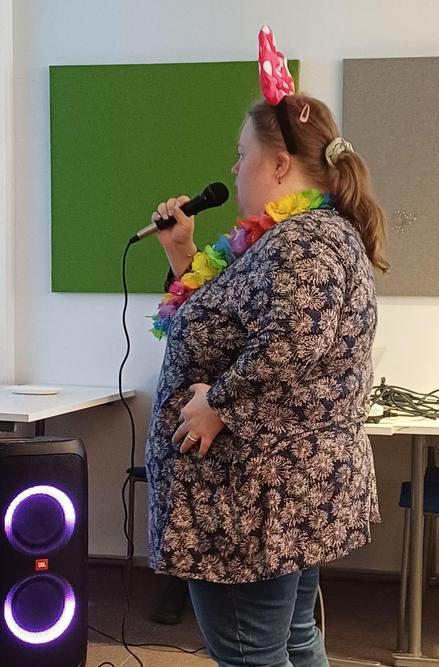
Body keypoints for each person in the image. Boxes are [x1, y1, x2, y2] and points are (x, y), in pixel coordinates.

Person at [145, 26, 388, 667]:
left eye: (241, 153)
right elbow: (227, 326)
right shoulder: (297, 238)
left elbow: (292, 341)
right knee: (294, 641)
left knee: (253, 655)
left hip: (254, 501)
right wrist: (181, 256)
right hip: (273, 495)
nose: (234, 168)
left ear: (279, 165)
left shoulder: (303, 242)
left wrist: (217, 404)